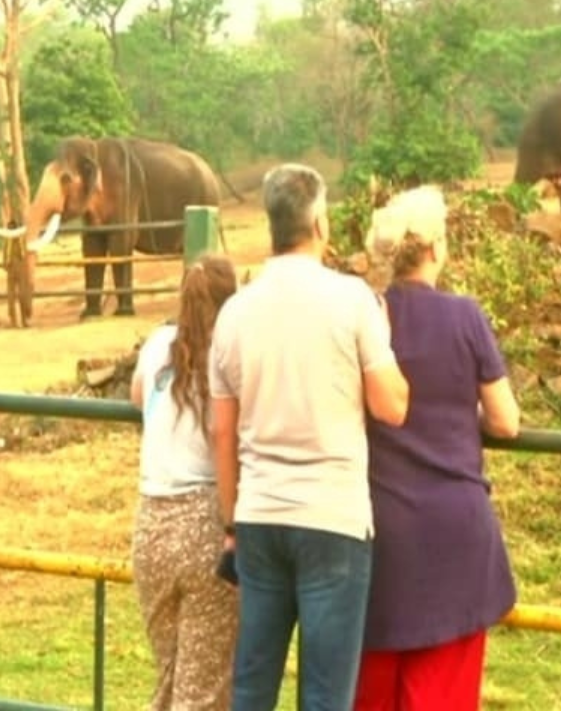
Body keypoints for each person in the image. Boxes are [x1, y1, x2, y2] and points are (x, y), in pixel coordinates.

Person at [208, 163, 410, 710]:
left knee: (251, 687)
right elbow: (392, 406)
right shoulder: (353, 300)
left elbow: (220, 431)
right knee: (325, 696)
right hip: (332, 518)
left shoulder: (234, 313)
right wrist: (384, 343)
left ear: (271, 223)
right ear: (319, 222)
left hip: (259, 518)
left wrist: (231, 522)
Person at [353, 187, 520, 711]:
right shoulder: (465, 316)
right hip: (455, 536)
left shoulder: (366, 317)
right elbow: (506, 421)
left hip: (379, 535)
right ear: (435, 248)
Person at [130, 254, 240, 711]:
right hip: (204, 523)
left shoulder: (158, 344)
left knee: (169, 681)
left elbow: (139, 395)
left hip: (151, 522)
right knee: (202, 692)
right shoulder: (229, 355)